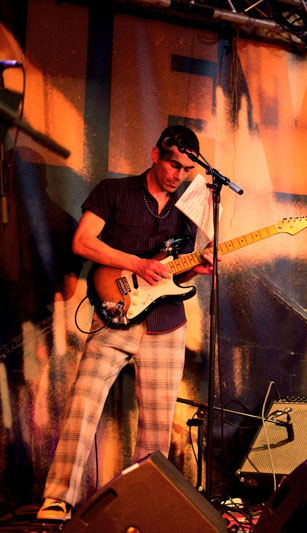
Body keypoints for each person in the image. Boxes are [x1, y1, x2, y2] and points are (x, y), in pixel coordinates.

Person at [36, 125, 214, 521]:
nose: (179, 175)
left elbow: (175, 274)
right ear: (155, 155)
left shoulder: (188, 210)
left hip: (167, 323)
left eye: (187, 170)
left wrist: (197, 268)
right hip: (115, 315)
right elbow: (82, 242)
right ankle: (58, 499)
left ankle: (140, 509)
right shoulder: (114, 191)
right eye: (173, 165)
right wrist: (136, 263)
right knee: (83, 404)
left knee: (156, 427)